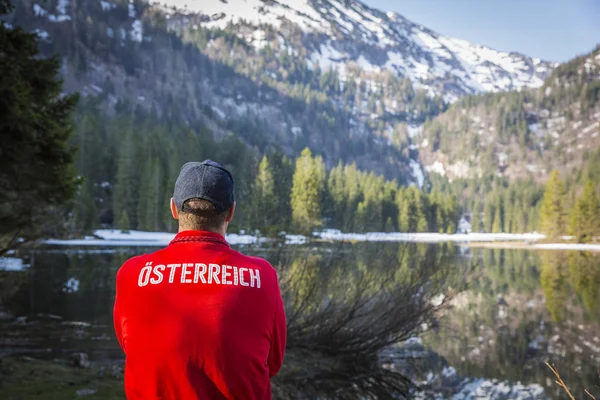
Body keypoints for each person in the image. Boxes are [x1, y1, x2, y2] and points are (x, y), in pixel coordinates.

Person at [113, 160, 286, 400]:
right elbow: (273, 363)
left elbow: (132, 347)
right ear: (231, 212)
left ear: (173, 208)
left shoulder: (132, 273)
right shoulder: (262, 275)